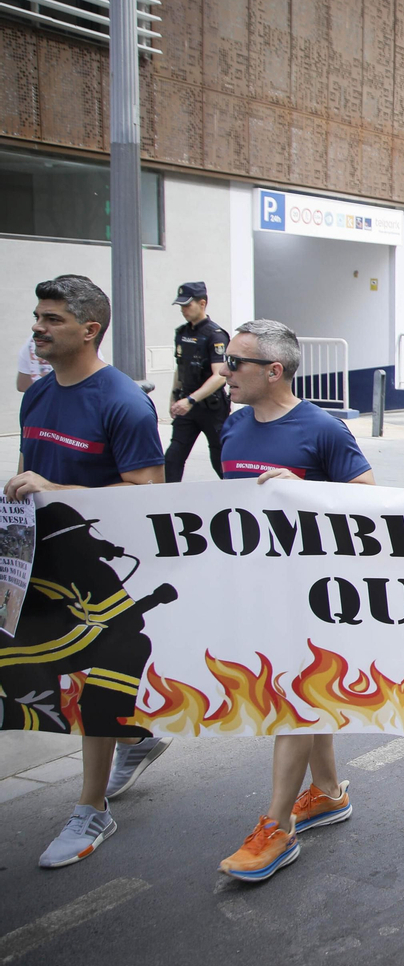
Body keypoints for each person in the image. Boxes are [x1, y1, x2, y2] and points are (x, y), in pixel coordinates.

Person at [7, 275, 167, 868]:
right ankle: (137, 736)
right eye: (38, 316)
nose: (38, 328)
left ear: (89, 330)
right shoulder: (38, 395)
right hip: (38, 563)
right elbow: (29, 473)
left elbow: (147, 493)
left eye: (52, 319)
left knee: (97, 677)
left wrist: (55, 489)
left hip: (99, 576)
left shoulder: (123, 401)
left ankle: (91, 807)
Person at [214, 320, 374, 882]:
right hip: (257, 588)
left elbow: (369, 499)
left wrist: (306, 492)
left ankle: (277, 827)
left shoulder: (323, 429)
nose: (225, 371)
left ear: (274, 371)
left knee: (294, 698)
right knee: (304, 697)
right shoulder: (233, 426)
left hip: (315, 596)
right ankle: (327, 791)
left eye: (235, 362)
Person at [163, 282, 232, 482]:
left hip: (211, 407)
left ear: (202, 304)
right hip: (187, 406)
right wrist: (174, 397)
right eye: (181, 306)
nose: (183, 310)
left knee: (219, 456)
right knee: (174, 456)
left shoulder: (215, 335)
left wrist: (190, 400)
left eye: (187, 305)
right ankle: (168, 496)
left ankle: (234, 492)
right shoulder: (182, 333)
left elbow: (220, 376)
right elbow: (180, 368)